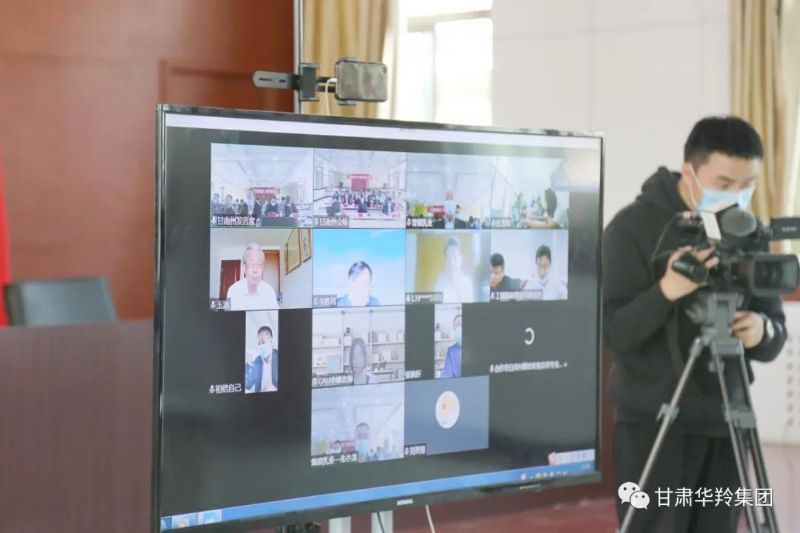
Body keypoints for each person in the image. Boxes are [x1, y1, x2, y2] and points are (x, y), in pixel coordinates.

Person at [604, 117, 787, 533]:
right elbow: (615, 333)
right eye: (724, 182)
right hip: (653, 423)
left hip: (727, 421)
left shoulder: (749, 230)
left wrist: (760, 329)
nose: (736, 196)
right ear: (689, 172)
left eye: (747, 185)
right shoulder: (632, 228)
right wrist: (666, 291)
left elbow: (775, 334)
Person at [226, 243, 279, 310]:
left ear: (263, 268)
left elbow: (275, 316)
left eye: (259, 264)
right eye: (251, 264)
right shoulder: (233, 291)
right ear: (244, 267)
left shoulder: (269, 291)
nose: (255, 270)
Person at [434, 237, 475, 303]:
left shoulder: (467, 283)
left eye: (455, 258)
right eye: (449, 258)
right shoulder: (440, 280)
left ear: (461, 259)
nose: (452, 262)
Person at [244, 325, 278, 393]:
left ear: (271, 340)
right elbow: (247, 384)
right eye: (259, 343)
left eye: (263, 342)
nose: (261, 346)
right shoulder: (257, 360)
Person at [439, 314, 462, 378]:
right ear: (455, 331)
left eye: (461, 323)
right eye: (457, 326)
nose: (460, 326)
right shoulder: (452, 351)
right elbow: (446, 375)